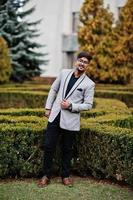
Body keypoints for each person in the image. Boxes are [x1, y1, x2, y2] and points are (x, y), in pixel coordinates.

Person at [38, 51, 95, 187]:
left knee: (67, 149)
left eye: (85, 62)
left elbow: (88, 105)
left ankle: (65, 176)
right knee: (48, 146)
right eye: (80, 60)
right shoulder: (63, 73)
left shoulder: (89, 84)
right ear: (76, 61)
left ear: (88, 65)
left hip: (71, 120)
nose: (82, 63)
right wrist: (48, 108)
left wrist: (71, 105)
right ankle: (45, 176)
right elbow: (53, 89)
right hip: (55, 116)